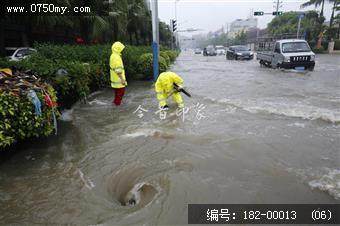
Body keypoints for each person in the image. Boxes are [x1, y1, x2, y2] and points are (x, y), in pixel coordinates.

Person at [110, 41, 127, 106]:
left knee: (117, 94)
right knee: (120, 94)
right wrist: (122, 79)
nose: (122, 50)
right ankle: (117, 106)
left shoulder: (112, 55)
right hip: (118, 80)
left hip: (114, 79)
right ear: (118, 48)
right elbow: (118, 70)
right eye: (121, 48)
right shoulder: (117, 57)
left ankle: (115, 103)